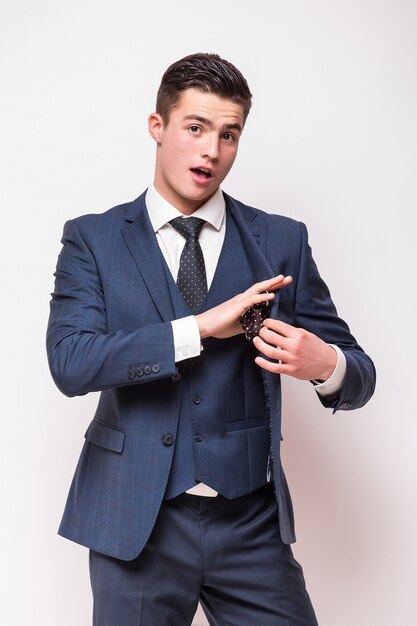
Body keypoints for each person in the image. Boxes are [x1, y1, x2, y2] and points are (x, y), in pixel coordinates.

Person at [47, 53, 376, 626]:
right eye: (195, 128)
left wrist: (325, 364)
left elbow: (359, 375)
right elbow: (71, 363)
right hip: (135, 522)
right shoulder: (93, 239)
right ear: (158, 127)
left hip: (249, 523)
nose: (211, 151)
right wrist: (196, 329)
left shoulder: (280, 240)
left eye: (229, 135)